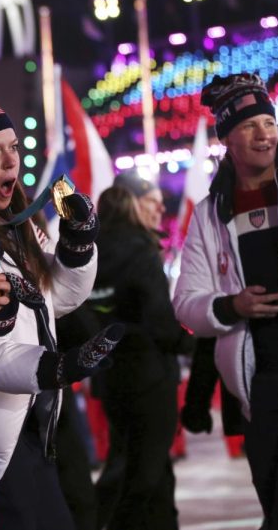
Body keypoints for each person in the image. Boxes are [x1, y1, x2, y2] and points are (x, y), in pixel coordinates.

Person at [0, 90, 117, 530]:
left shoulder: (14, 226)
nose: (11, 162)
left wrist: (77, 242)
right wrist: (52, 367)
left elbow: (59, 299)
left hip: (26, 431)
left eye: (13, 148)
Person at [174, 72, 278, 529]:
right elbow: (187, 302)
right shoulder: (211, 213)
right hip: (256, 387)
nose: (265, 133)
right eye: (250, 125)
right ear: (228, 139)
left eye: (269, 122)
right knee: (276, 504)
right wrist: (233, 306)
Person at [90, 185, 193, 530]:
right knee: (142, 474)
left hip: (110, 375)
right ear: (133, 204)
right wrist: (196, 347)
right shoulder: (141, 251)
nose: (160, 210)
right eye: (154, 202)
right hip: (149, 376)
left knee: (149, 469)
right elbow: (160, 321)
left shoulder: (90, 250)